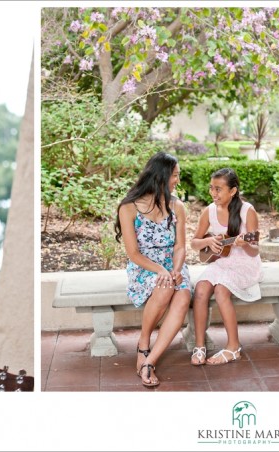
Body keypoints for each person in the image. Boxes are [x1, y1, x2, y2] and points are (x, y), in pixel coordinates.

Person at [114, 152, 191, 387]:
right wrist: (161, 271)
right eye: (175, 176)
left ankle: (150, 361)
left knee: (183, 294)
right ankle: (144, 343)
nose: (177, 180)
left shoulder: (177, 206)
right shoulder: (129, 208)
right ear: (161, 176)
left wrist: (176, 269)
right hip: (145, 266)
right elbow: (133, 254)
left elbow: (180, 246)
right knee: (165, 286)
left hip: (173, 264)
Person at [189, 167, 262, 366]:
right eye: (211, 188)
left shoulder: (248, 211)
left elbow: (255, 250)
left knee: (221, 289)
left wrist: (246, 243)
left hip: (245, 263)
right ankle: (200, 345)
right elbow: (194, 243)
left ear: (233, 191)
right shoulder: (209, 211)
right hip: (222, 261)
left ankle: (233, 347)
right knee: (201, 289)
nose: (213, 193)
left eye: (219, 189)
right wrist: (209, 242)